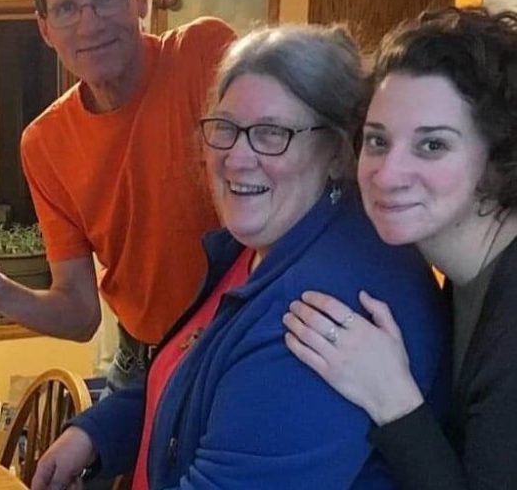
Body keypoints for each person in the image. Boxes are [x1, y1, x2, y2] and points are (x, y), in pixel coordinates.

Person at [31, 24, 449, 490]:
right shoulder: (257, 248)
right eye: (225, 129)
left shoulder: (321, 310)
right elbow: (193, 371)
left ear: (336, 150)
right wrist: (98, 432)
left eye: (272, 133)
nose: (237, 157)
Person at [0, 0, 235, 388]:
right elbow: (78, 315)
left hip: (240, 344)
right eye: (67, 8)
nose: (89, 24)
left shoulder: (203, 54)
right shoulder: (45, 144)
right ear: (45, 28)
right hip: (144, 361)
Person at [284, 6, 517, 490]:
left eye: (432, 145)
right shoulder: (462, 267)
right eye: (377, 140)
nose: (387, 174)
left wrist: (393, 400)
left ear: (497, 157)